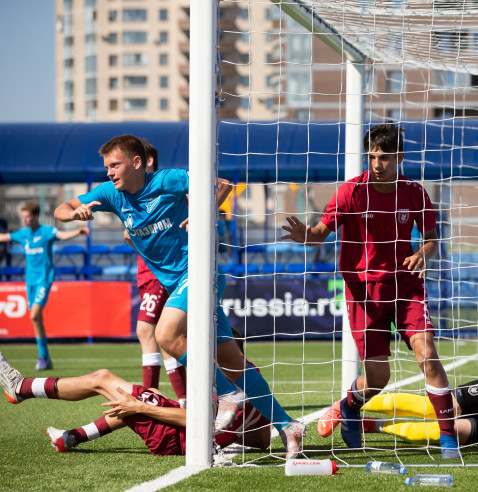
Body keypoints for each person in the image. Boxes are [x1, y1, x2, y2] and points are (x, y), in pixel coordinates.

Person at [53, 134, 304, 454]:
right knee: (231, 360)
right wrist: (73, 214)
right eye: (106, 167)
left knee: (165, 334)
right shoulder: (109, 194)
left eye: (115, 165)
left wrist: (204, 212)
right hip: (180, 284)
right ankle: (287, 425)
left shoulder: (167, 179)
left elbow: (223, 184)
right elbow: (64, 207)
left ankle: (227, 395)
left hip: (200, 273)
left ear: (137, 163)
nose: (109, 173)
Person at [281, 123, 459, 459]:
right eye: (373, 156)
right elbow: (321, 232)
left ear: (400, 157)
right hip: (363, 293)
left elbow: (433, 237)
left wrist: (423, 252)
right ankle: (349, 406)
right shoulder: (351, 191)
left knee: (428, 355)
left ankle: (448, 439)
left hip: (406, 286)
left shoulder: (414, 192)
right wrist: (307, 234)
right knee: (378, 378)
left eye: (385, 157)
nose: (378, 164)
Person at [0, 352, 289, 457]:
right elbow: (263, 439)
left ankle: (21, 387)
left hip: (175, 440)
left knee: (103, 380)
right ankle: (71, 437)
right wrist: (229, 438)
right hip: (185, 436)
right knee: (141, 395)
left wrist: (143, 408)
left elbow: (197, 422)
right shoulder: (253, 376)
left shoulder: (221, 382)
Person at [128, 139, 187, 406]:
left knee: (146, 330)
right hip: (146, 273)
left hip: (161, 273)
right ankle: (186, 397)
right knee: (167, 337)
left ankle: (148, 396)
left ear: (145, 162)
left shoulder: (166, 188)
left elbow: (217, 185)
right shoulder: (129, 198)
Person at [0, 202, 89, 370]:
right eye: (24, 217)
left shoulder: (46, 232)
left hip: (44, 279)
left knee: (34, 315)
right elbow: (4, 237)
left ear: (36, 217)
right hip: (30, 282)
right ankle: (45, 358)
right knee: (36, 320)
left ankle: (43, 357)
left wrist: (78, 231)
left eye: (28, 217)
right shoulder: (23, 234)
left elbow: (62, 235)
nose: (25, 220)